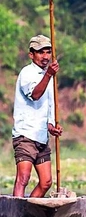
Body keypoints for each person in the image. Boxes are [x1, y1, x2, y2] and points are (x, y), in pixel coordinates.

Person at [12, 34, 63, 198]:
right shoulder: (27, 73)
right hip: (25, 135)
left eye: (48, 52)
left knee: (46, 182)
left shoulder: (49, 77)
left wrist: (51, 126)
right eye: (41, 52)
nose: (46, 56)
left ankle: (28, 212)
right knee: (23, 178)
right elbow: (35, 95)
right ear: (31, 54)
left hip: (41, 137)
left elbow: (48, 106)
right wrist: (48, 74)